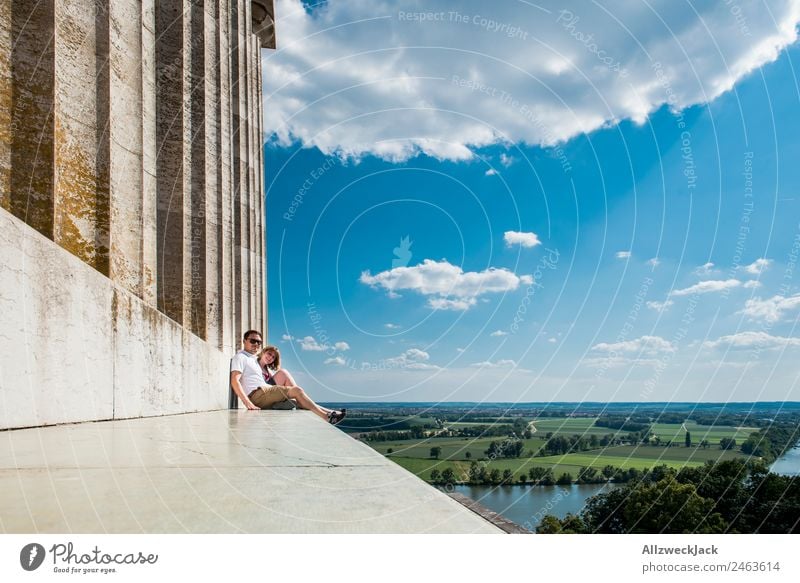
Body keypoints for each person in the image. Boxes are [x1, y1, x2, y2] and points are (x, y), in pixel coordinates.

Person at [230, 330, 346, 424]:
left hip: (265, 391)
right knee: (297, 391)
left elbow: (270, 373)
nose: (256, 344)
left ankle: (326, 411)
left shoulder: (255, 359)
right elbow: (235, 380)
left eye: (259, 342)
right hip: (258, 394)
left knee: (297, 392)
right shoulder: (241, 357)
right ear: (244, 341)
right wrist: (247, 403)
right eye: (253, 341)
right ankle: (326, 417)